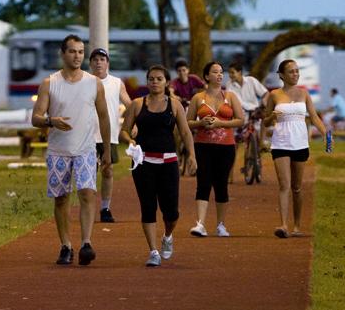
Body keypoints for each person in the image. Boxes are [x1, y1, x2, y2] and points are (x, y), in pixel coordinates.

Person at [31, 35, 112, 266]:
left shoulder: (93, 83)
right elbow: (35, 118)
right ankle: (66, 245)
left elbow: (104, 117)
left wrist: (106, 150)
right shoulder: (50, 83)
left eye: (80, 52)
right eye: (72, 51)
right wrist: (51, 121)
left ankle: (86, 243)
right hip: (58, 150)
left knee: (87, 193)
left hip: (86, 149)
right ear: (63, 54)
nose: (77, 56)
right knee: (61, 199)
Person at [121, 65, 195, 266]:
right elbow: (124, 130)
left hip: (168, 162)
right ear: (147, 81)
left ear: (167, 82)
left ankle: (167, 236)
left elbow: (185, 132)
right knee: (148, 207)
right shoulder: (137, 104)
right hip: (143, 162)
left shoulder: (175, 105)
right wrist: (130, 140)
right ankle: (153, 251)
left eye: (159, 79)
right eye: (151, 79)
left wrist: (192, 156)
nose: (154, 82)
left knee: (171, 212)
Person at [263, 59, 328, 238]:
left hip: (300, 143)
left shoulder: (304, 94)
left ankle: (297, 226)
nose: (295, 74)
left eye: (297, 71)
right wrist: (272, 117)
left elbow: (314, 117)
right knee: (284, 185)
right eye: (291, 71)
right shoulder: (274, 95)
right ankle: (283, 225)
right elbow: (265, 121)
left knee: (297, 187)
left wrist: (325, 134)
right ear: (282, 75)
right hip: (280, 143)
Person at [187, 62, 244, 238]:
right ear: (206, 76)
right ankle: (200, 224)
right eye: (215, 72)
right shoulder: (198, 98)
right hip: (202, 145)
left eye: (221, 72)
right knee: (203, 183)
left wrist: (221, 123)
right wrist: (200, 123)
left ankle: (221, 225)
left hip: (226, 147)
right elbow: (187, 122)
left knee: (221, 184)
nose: (219, 75)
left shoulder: (230, 96)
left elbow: (240, 120)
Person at [88, 47, 132, 223]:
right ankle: (88, 207)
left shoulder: (116, 83)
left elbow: (129, 104)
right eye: (95, 59)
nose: (99, 62)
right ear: (90, 63)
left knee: (108, 171)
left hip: (109, 135)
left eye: (102, 59)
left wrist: (134, 124)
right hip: (87, 136)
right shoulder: (84, 81)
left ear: (107, 63)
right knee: (89, 174)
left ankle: (105, 208)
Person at [226, 63, 269, 181]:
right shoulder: (229, 85)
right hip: (240, 114)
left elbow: (265, 93)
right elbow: (230, 102)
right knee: (233, 144)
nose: (230, 75)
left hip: (254, 111)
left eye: (232, 72)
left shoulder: (251, 81)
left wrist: (264, 102)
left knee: (265, 117)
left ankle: (262, 143)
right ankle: (229, 176)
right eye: (229, 73)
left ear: (240, 72)